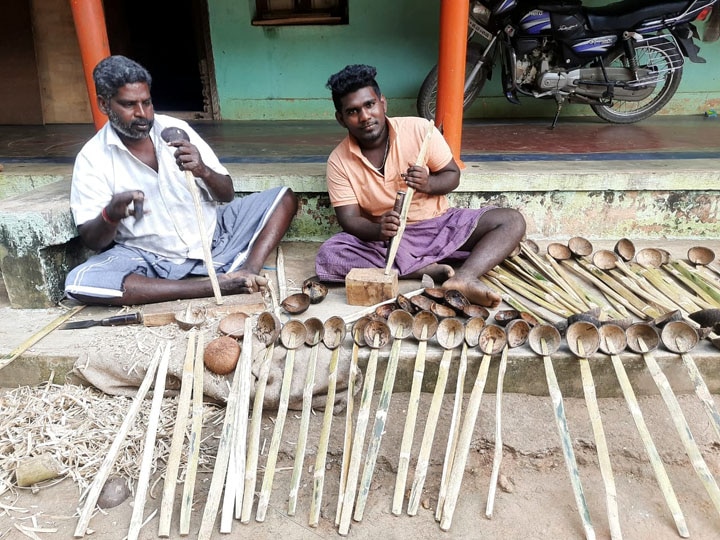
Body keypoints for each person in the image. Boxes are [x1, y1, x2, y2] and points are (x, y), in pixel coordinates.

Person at [65, 55, 297, 305]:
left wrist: (203, 171)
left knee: (284, 197)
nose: (142, 113)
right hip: (150, 258)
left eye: (147, 102)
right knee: (82, 282)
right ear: (104, 104)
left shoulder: (175, 129)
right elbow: (93, 240)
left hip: (213, 238)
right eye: (129, 104)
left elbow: (226, 194)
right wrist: (111, 214)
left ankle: (247, 273)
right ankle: (210, 285)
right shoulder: (93, 158)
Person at [315, 64, 525, 308]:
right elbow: (349, 219)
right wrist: (378, 229)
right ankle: (419, 268)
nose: (364, 117)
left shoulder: (419, 129)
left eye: (369, 105)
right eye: (353, 111)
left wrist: (429, 183)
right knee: (330, 254)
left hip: (441, 226)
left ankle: (465, 277)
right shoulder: (338, 161)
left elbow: (452, 175)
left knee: (511, 220)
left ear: (383, 103)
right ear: (341, 119)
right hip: (390, 239)